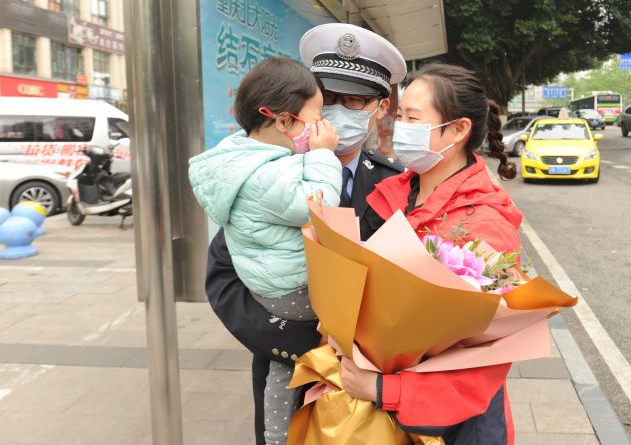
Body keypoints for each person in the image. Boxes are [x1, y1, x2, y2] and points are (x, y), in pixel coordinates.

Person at [203, 23, 406, 444]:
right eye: (327, 98)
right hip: (291, 370)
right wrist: (309, 345)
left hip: (378, 388)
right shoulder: (268, 175)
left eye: (355, 100)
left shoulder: (399, 185)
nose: (335, 112)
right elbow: (225, 276)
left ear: (380, 108)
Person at [340, 62, 522, 444]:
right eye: (399, 115)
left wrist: (385, 391)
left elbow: (486, 358)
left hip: (456, 426)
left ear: (458, 129)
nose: (399, 127)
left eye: (413, 118)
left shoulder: (487, 227)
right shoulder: (393, 194)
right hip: (379, 410)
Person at [189, 57, 342, 444]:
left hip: (274, 291)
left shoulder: (242, 159)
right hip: (293, 298)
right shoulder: (266, 174)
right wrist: (323, 155)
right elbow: (318, 203)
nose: (323, 127)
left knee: (281, 373)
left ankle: (276, 435)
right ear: (283, 121)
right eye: (317, 117)